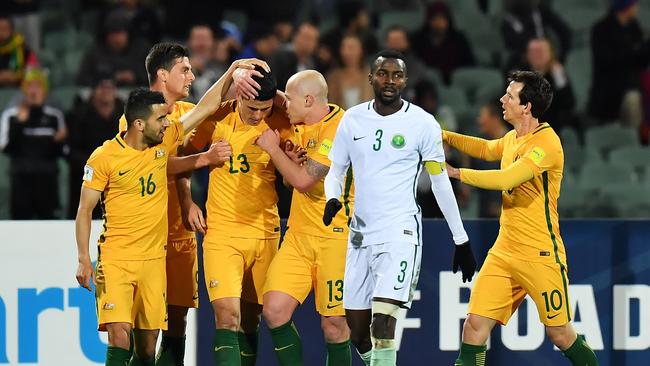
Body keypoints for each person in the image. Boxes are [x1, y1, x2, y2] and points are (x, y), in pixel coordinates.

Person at [75, 60, 263, 365]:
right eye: (161, 119)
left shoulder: (163, 145)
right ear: (139, 124)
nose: (167, 123)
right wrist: (84, 258)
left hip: (153, 262)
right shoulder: (104, 157)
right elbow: (84, 210)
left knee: (147, 350)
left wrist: (230, 72)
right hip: (116, 260)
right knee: (120, 334)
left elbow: (204, 108)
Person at [323, 50, 476, 366]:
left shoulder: (422, 123)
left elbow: (440, 182)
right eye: (383, 74)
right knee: (356, 330)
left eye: (397, 75)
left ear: (405, 81)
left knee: (383, 324)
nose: (389, 81)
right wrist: (332, 198)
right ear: (371, 78)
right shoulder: (352, 119)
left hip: (400, 232)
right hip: (359, 235)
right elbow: (336, 169)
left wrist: (460, 239)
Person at [443, 71, 599, 366]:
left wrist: (457, 173)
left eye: (510, 96)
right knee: (474, 327)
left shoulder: (547, 144)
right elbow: (487, 148)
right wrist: (444, 135)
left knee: (560, 334)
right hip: (505, 251)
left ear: (526, 107)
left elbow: (507, 179)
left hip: (540, 253)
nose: (502, 99)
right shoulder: (514, 138)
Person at [181, 65, 292, 366]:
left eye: (264, 109)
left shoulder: (282, 122)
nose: (257, 115)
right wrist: (188, 201)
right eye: (252, 107)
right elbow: (181, 156)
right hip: (222, 234)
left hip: (265, 231)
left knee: (252, 321)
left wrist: (279, 100)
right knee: (227, 316)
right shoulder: (217, 117)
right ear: (239, 96)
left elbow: (303, 107)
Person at [256, 70, 353, 365]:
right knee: (274, 310)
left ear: (309, 100)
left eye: (292, 99)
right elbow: (292, 180)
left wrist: (273, 149)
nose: (286, 106)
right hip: (298, 237)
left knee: (334, 326)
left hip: (335, 239)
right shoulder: (302, 123)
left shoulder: (339, 130)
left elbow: (302, 181)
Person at [0, 68, 66, 219]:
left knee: (49, 223)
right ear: (24, 90)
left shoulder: (54, 116)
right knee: (20, 223)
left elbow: (62, 151)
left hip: (47, 180)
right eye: (30, 86)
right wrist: (19, 124)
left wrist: (59, 140)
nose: (34, 91)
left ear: (45, 91)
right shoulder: (11, 115)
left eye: (38, 86)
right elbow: (6, 148)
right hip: (21, 179)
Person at [66, 76, 122, 219]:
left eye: (110, 87)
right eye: (102, 87)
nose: (106, 91)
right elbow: (70, 151)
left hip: (118, 179)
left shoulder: (126, 116)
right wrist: (95, 168)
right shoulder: (78, 115)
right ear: (93, 91)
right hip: (85, 177)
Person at [588, 0, 650, 126]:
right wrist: (634, 53)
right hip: (609, 91)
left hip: (632, 84)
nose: (636, 8)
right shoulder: (601, 29)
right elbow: (610, 63)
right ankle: (634, 140)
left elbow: (640, 61)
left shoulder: (633, 27)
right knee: (633, 99)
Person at [472, 100, 509, 219]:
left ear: (495, 119)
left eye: (482, 116)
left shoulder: (513, 144)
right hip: (485, 217)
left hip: (509, 219)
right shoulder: (482, 147)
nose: (479, 120)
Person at [0, 14, 37, 87]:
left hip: (20, 91)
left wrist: (17, 76)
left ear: (11, 30)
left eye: (4, 29)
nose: (0, 33)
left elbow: (34, 72)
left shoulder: (23, 48)